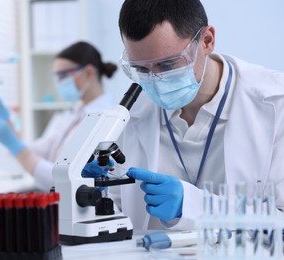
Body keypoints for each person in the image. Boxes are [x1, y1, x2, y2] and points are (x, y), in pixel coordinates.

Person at [103, 0, 284, 231]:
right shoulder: (132, 114)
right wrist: (90, 195)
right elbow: (117, 215)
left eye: (168, 65)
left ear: (207, 41)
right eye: (141, 69)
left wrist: (193, 206)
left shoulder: (276, 103)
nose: (155, 80)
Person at [0, 41, 117, 191]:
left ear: (89, 72)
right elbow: (38, 151)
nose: (59, 84)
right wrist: (5, 119)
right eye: (56, 78)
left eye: (63, 76)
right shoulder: (73, 114)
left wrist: (14, 145)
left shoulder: (105, 120)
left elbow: (69, 181)